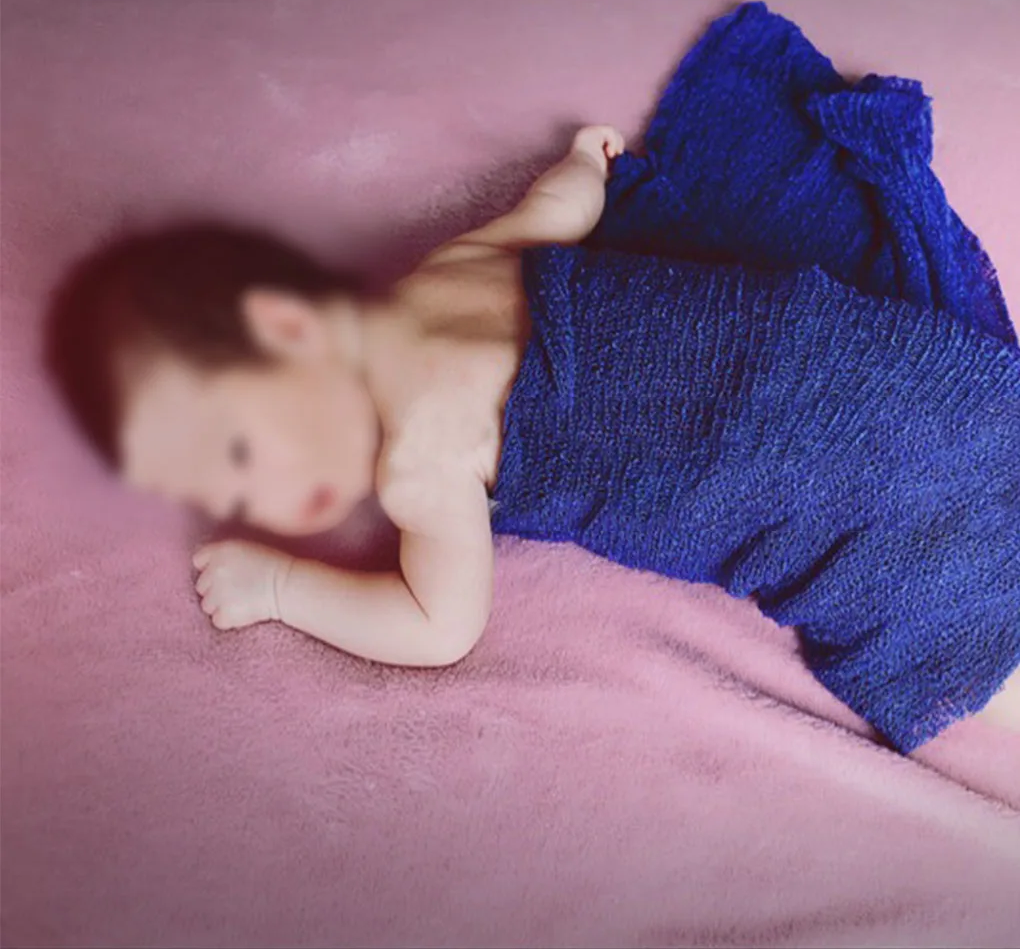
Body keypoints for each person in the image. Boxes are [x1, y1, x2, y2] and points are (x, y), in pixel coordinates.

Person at [46, 124, 1020, 747]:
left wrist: (283, 590)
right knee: (950, 431)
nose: (257, 503)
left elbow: (439, 627)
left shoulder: (418, 465)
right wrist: (583, 165)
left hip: (771, 462)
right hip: (821, 352)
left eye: (241, 453)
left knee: (937, 594)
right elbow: (552, 214)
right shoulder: (445, 271)